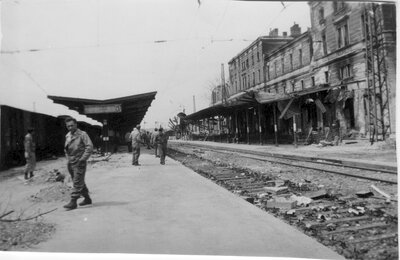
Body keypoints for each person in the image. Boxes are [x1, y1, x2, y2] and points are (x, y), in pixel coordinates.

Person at [63, 117, 94, 210]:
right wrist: (68, 158)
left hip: (79, 161)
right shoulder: (68, 135)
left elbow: (89, 147)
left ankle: (73, 201)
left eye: (72, 125)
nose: (70, 127)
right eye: (68, 126)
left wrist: (83, 159)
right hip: (71, 162)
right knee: (78, 180)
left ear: (76, 124)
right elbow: (66, 149)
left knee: (77, 181)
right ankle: (87, 199)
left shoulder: (82, 134)